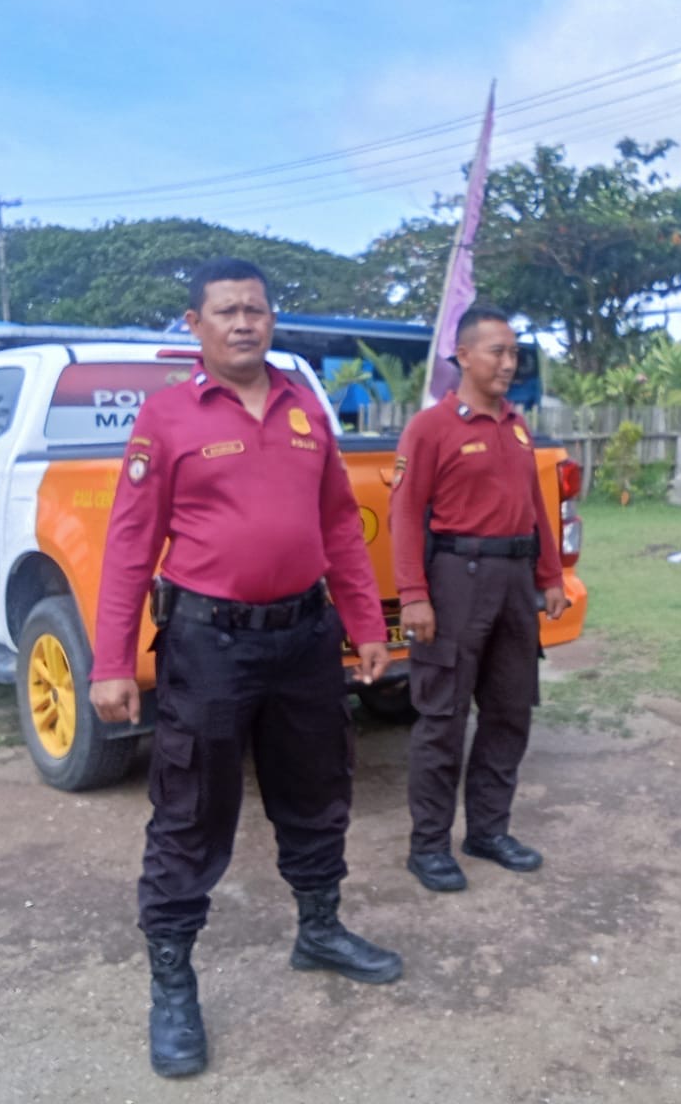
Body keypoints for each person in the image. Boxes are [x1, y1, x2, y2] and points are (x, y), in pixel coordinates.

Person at [88, 257, 400, 1079]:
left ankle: (319, 929)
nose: (242, 323)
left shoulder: (305, 409)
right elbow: (130, 544)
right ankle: (172, 984)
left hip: (305, 640)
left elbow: (340, 525)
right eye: (225, 311)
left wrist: (365, 623)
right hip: (208, 647)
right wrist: (111, 661)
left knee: (318, 789)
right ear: (195, 325)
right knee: (191, 810)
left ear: (271, 320)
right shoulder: (167, 416)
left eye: (255, 310)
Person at [389, 305, 568, 893]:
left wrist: (549, 576)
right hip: (456, 579)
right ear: (463, 356)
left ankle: (489, 831)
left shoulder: (516, 425)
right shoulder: (431, 427)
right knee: (443, 718)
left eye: (514, 353)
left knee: (510, 711)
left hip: (514, 582)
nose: (508, 363)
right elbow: (405, 514)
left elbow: (534, 506)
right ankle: (429, 846)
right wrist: (413, 595)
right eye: (498, 352)